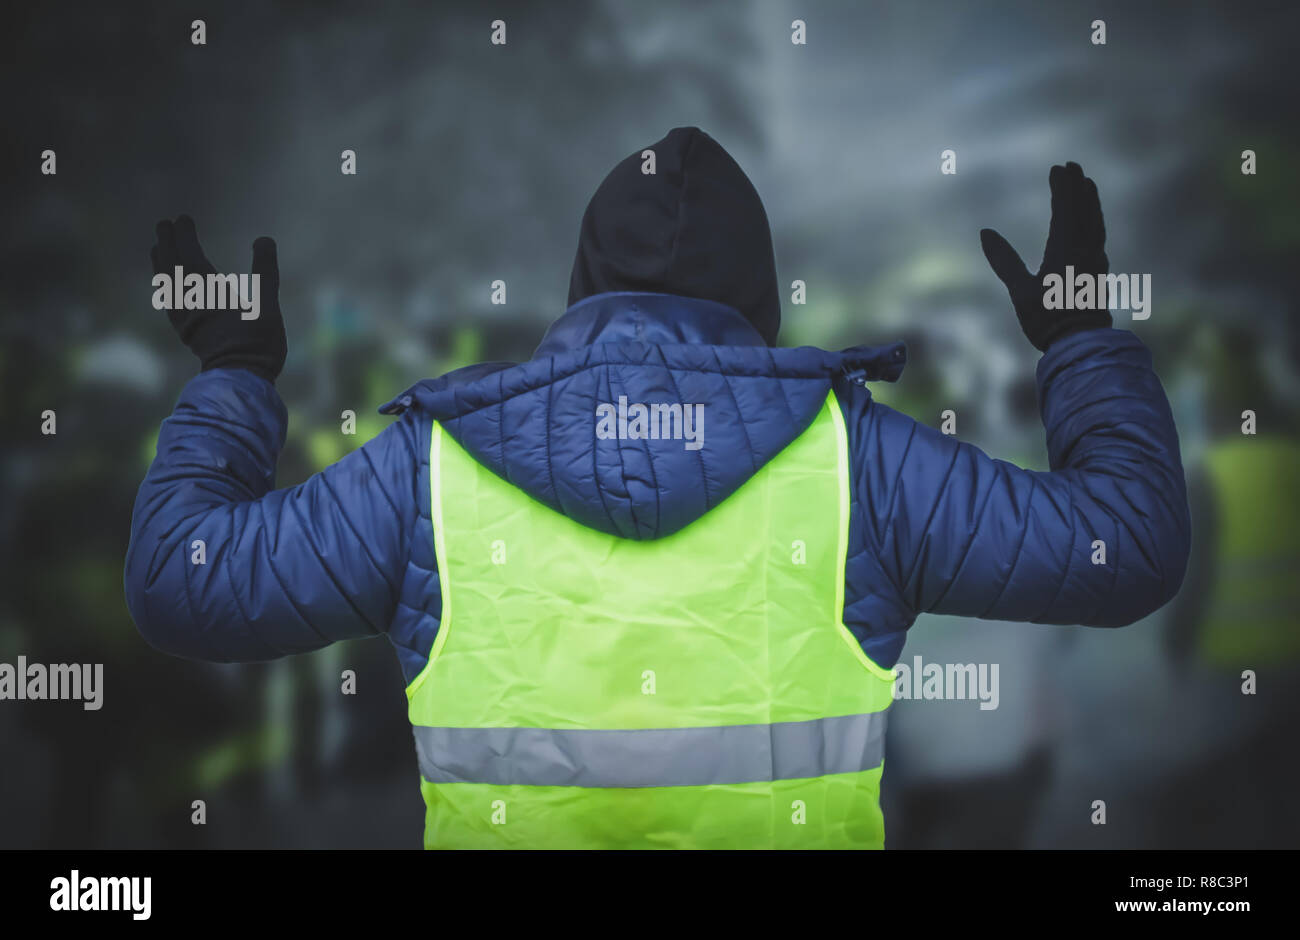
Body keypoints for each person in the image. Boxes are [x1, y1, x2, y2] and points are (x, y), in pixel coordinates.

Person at [125, 127, 1190, 848]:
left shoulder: (428, 466)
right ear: (758, 295)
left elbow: (183, 583)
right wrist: (1080, 339)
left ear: (581, 287)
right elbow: (1129, 544)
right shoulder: (862, 462)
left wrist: (232, 373)